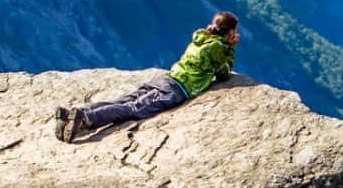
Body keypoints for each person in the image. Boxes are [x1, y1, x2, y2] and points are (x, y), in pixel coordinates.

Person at [55, 11, 241, 142]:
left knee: (124, 100)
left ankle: (72, 114)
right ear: (230, 32)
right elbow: (224, 73)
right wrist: (230, 49)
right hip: (177, 89)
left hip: (166, 78)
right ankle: (86, 118)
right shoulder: (217, 47)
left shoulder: (201, 37)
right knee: (134, 109)